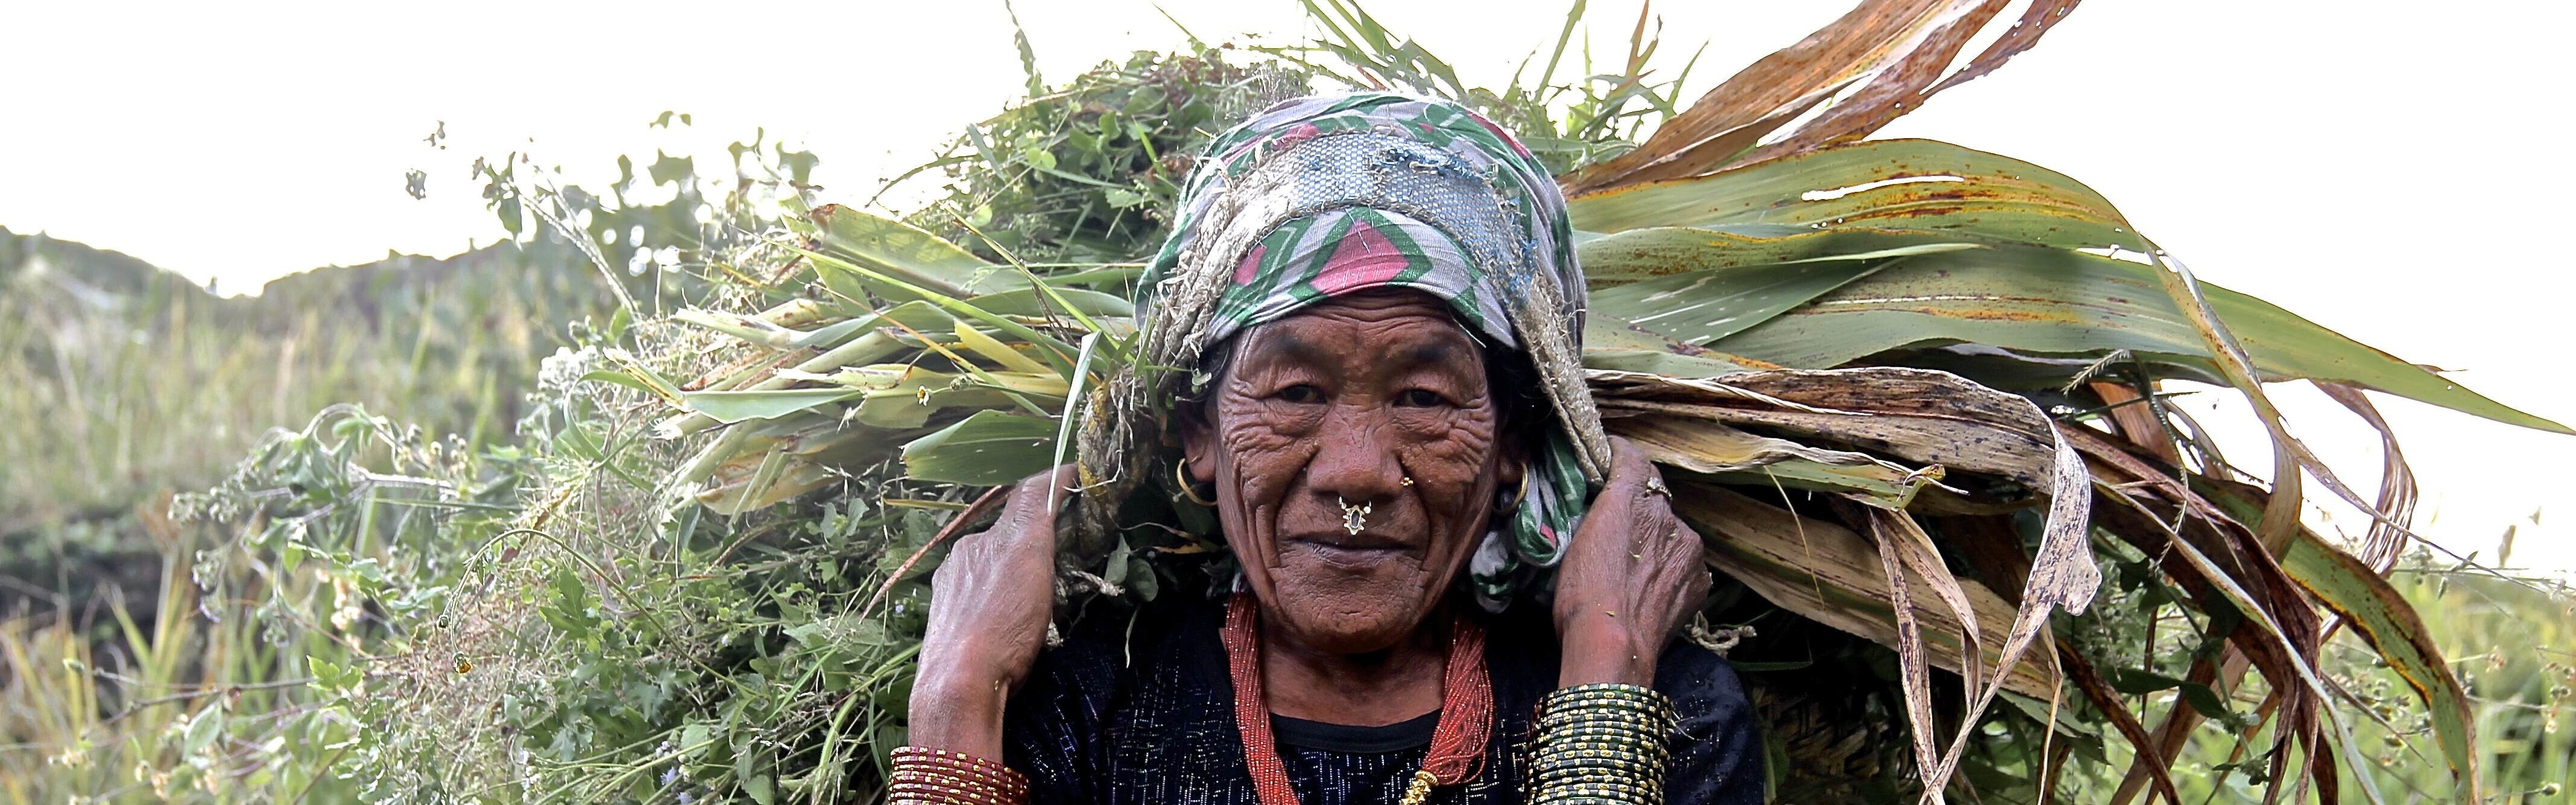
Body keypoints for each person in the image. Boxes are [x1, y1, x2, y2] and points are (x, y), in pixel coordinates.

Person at [894, 93, 1763, 805]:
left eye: (1424, 398)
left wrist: (1604, 674)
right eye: (1296, 394)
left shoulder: (1658, 710)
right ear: (1200, 434)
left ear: (1514, 443)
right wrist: (955, 699)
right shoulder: (1092, 707)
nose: (1357, 472)